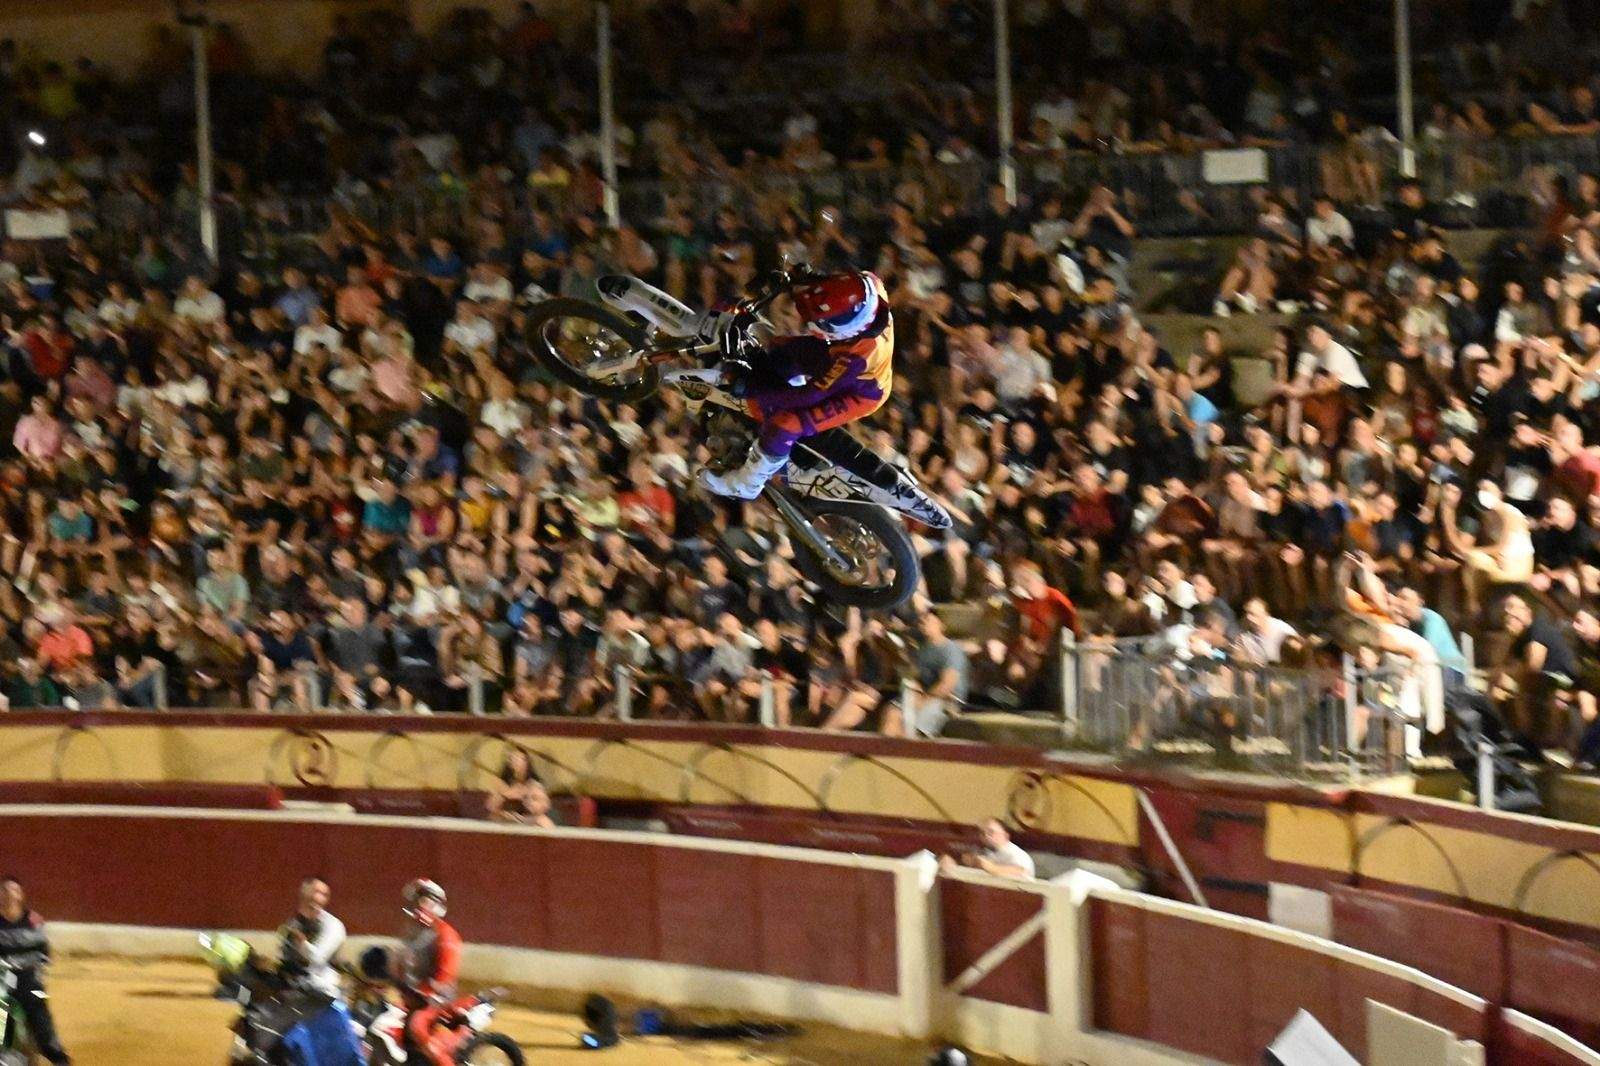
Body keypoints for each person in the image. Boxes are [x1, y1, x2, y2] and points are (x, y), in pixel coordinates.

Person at [599, 270, 894, 499]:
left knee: (788, 421)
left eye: (822, 323)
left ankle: (747, 482)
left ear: (848, 328)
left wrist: (750, 389)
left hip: (859, 391)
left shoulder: (856, 357)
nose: (811, 323)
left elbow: (810, 394)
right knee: (778, 346)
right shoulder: (864, 286)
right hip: (837, 358)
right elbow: (824, 281)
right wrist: (793, 275)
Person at [0, 876, 70, 1064]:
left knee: (38, 1010)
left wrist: (31, 969)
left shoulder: (34, 921)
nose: (8, 896)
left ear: (20, 895)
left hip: (28, 977)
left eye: (13, 891)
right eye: (4, 891)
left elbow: (43, 954)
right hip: (2, 978)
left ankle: (56, 1055)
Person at [396, 878, 463, 1066]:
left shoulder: (446, 935)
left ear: (437, 904)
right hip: (415, 997)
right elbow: (401, 965)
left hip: (439, 998)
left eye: (425, 901)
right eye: (417, 901)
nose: (419, 906)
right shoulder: (413, 933)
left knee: (417, 1025)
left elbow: (446, 975)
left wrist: (424, 992)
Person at [279, 877, 346, 1000]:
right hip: (295, 987)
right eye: (316, 892)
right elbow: (286, 956)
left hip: (324, 989)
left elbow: (318, 958)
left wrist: (302, 943)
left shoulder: (333, 926)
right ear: (304, 893)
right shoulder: (294, 923)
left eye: (324, 895)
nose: (318, 898)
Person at [938, 819, 1035, 880]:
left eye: (991, 832)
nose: (986, 836)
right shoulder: (985, 852)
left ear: (1006, 835)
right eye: (982, 833)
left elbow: (1022, 872)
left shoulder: (1016, 854)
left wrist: (991, 868)